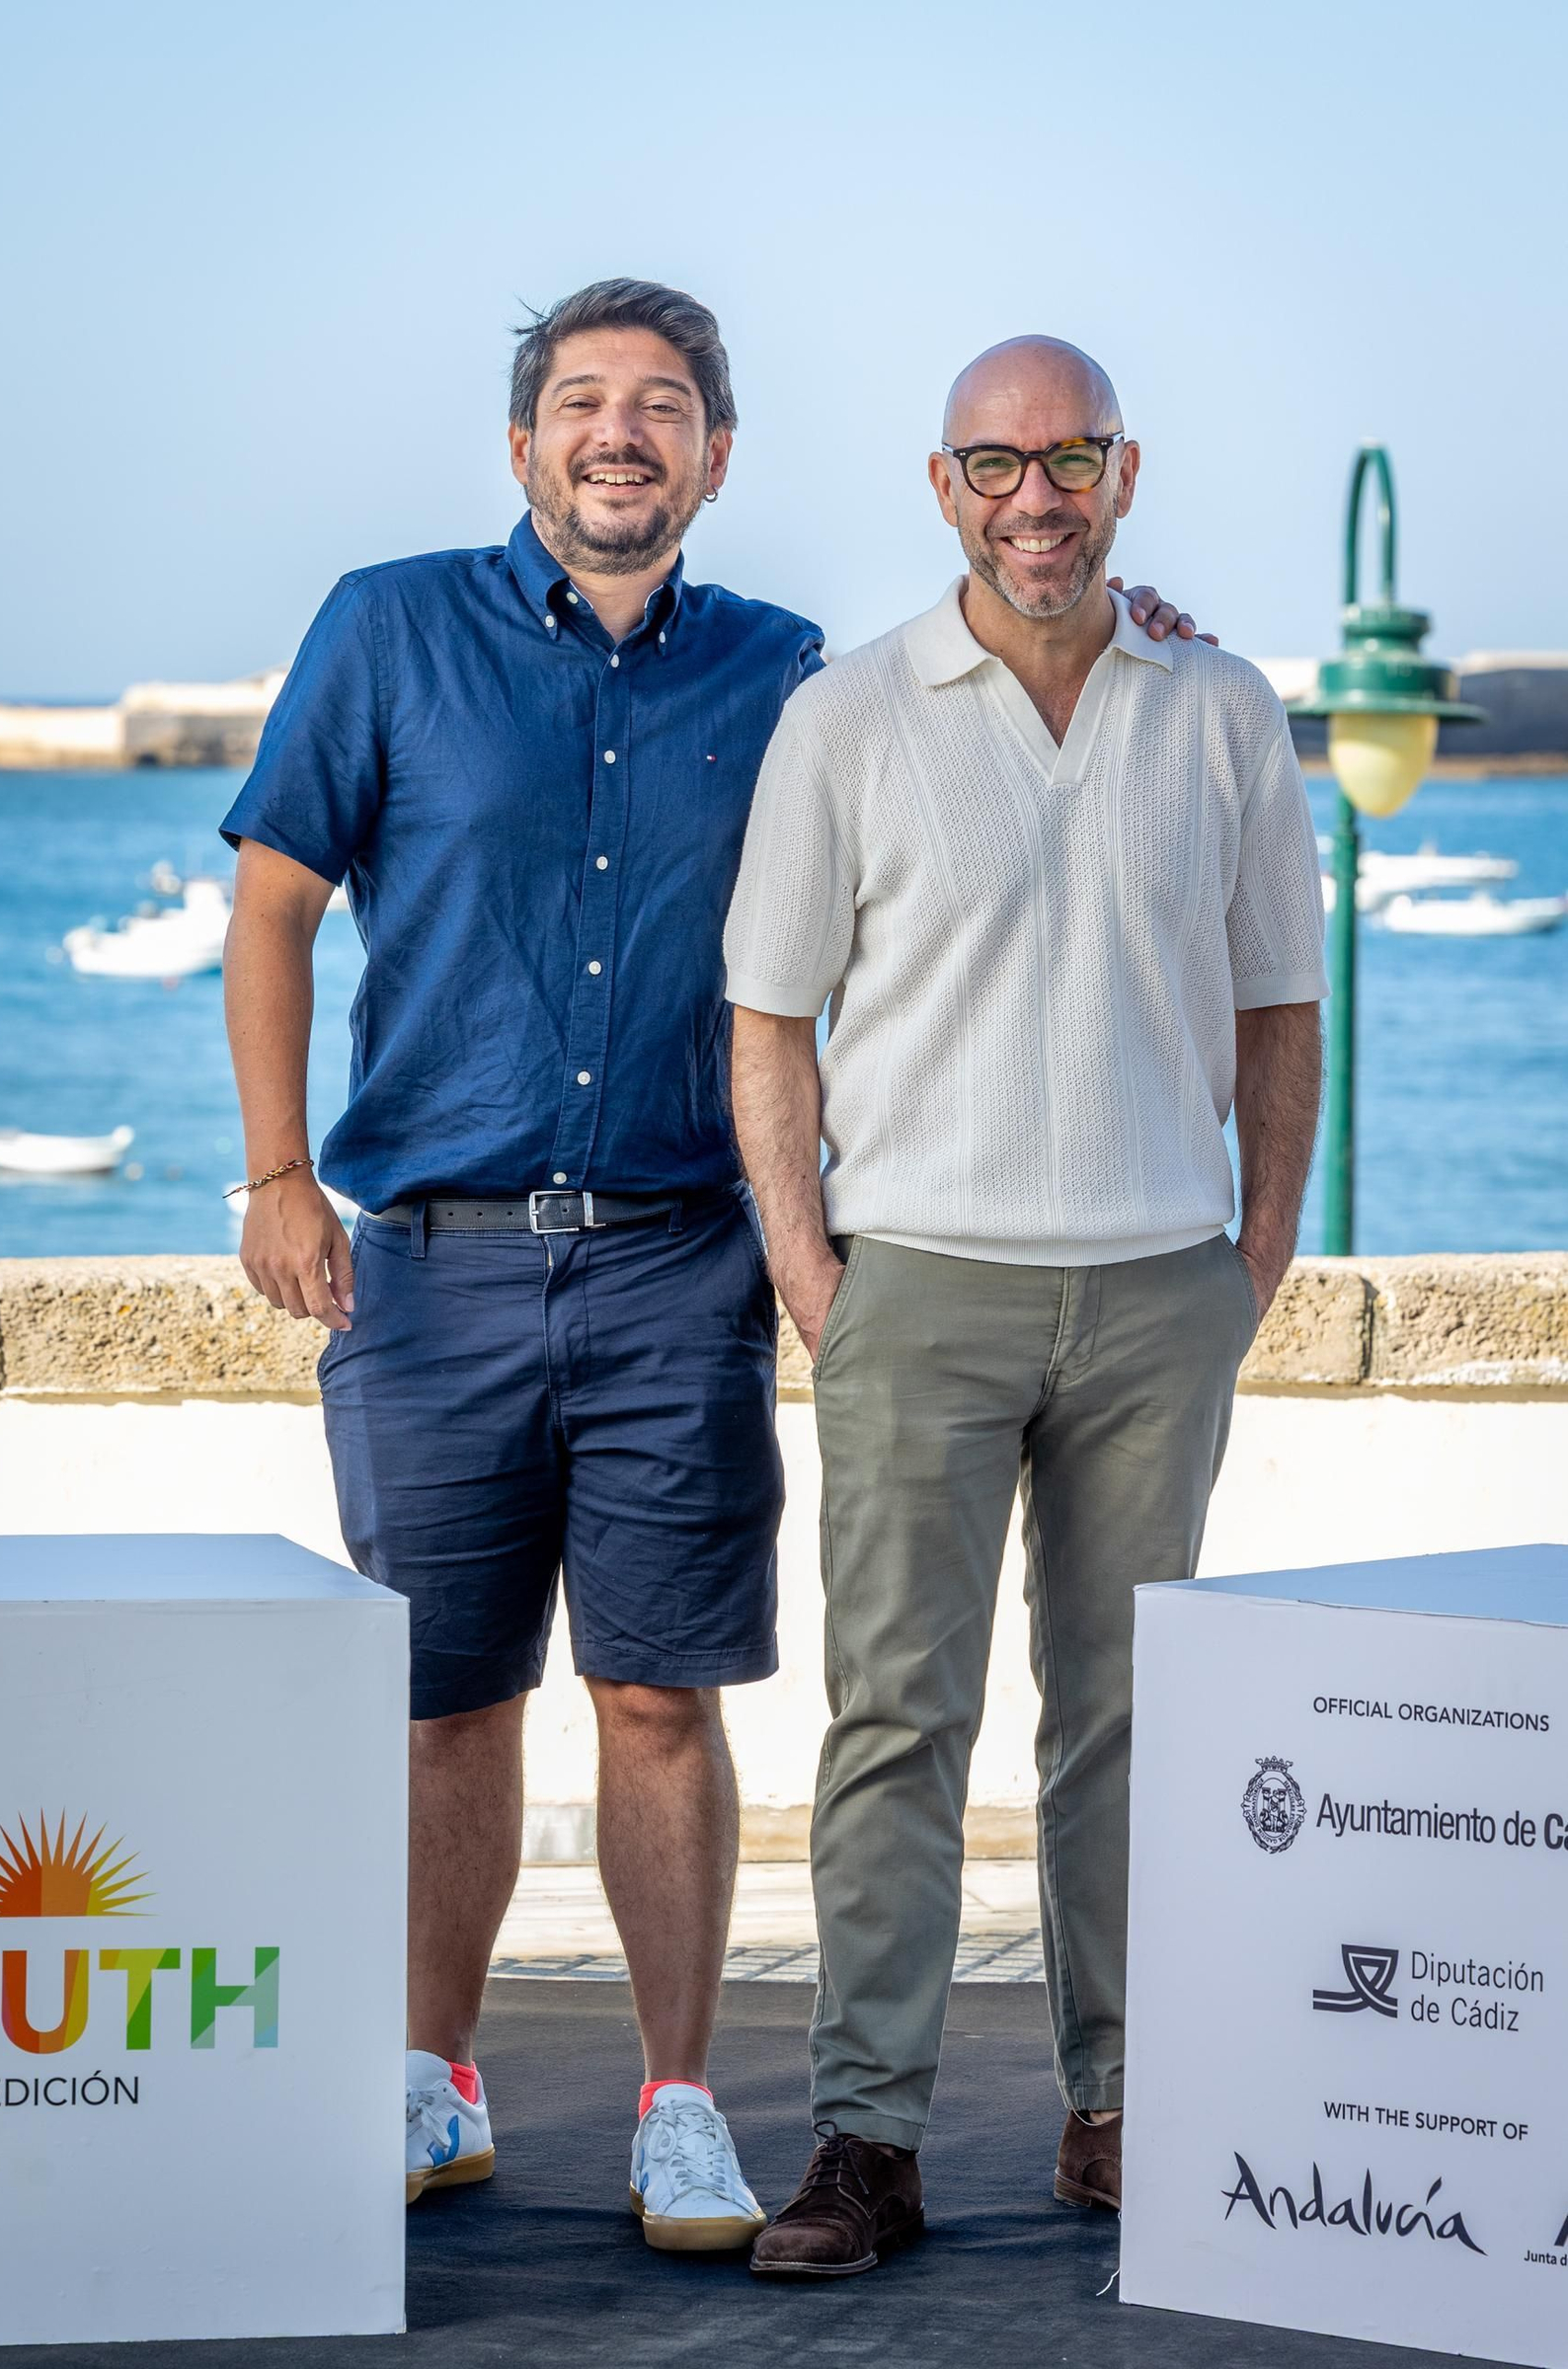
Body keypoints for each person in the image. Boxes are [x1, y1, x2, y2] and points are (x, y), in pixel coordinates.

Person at [221, 282, 1203, 2250]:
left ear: (714, 456)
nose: (617, 432)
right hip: (429, 1263)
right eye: (580, 402)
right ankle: (437, 2079)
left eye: (659, 406)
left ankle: (683, 2103)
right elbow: (271, 911)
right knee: (441, 1700)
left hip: (683, 1266)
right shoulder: (384, 630)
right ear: (521, 447)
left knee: (661, 1698)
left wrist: (1129, 632)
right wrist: (275, 1174)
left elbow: (973, 710)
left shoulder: (784, 677)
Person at [725, 336, 1326, 2278]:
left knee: (1126, 1724)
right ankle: (864, 2143)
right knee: (893, 1723)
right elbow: (766, 1016)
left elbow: (1273, 1008)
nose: (1032, 497)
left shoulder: (1219, 711)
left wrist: (1248, 1256)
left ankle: (1116, 2115)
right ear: (941, 488)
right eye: (993, 465)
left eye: (1064, 459)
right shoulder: (847, 717)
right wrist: (813, 1269)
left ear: (1121, 474)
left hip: (1156, 1292)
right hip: (914, 1288)